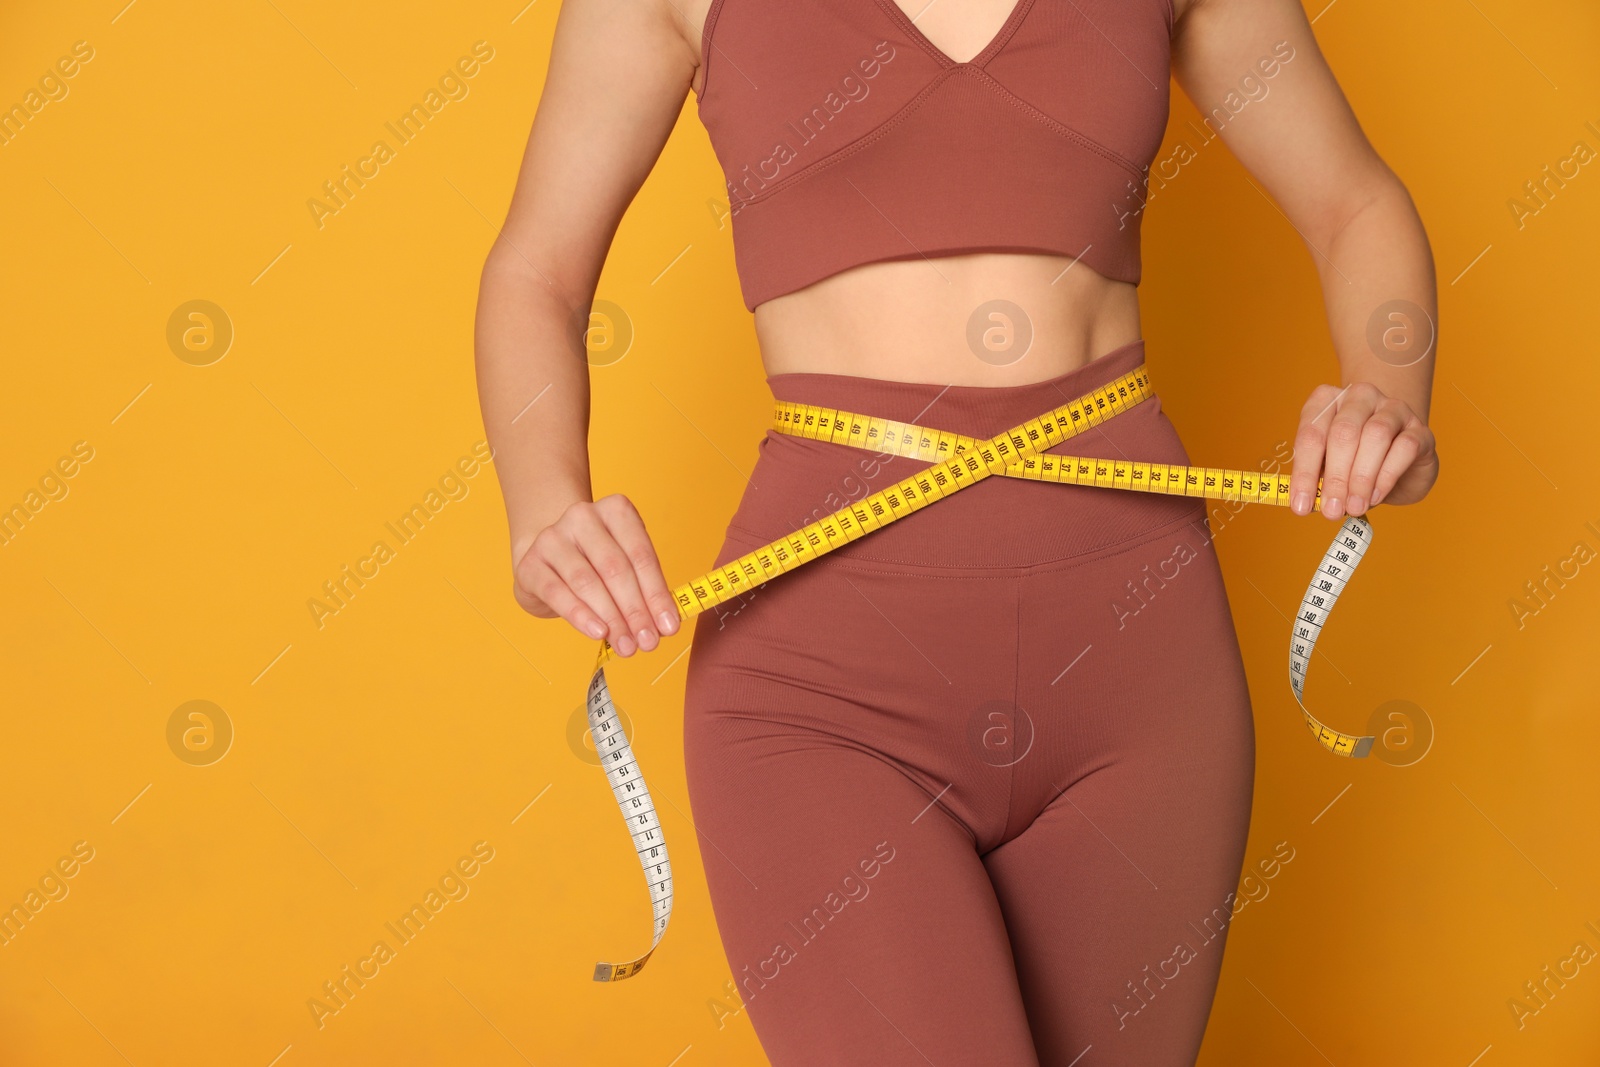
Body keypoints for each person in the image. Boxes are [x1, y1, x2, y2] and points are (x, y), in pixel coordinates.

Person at [473, 0, 1439, 1061]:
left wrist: (1383, 397)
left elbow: (1354, 204)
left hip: (1138, 670)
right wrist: (545, 511)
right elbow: (538, 274)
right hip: (823, 685)